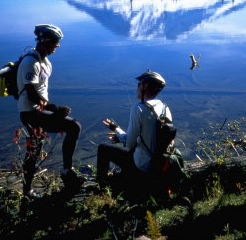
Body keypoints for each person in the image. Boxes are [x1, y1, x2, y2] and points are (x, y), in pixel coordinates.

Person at [17, 24, 83, 196]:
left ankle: (28, 190)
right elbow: (31, 92)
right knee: (72, 127)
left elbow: (39, 92)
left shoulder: (44, 62)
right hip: (30, 113)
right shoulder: (31, 62)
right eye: (55, 42)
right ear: (45, 41)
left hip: (38, 111)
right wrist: (54, 109)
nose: (57, 46)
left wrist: (53, 110)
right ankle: (64, 174)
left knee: (36, 148)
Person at [97, 69, 172, 183]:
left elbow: (129, 143)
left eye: (139, 84)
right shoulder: (165, 108)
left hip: (142, 166)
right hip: (159, 164)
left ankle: (102, 185)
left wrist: (116, 129)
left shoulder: (138, 109)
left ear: (145, 86)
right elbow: (151, 136)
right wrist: (120, 137)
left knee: (103, 149)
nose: (137, 88)